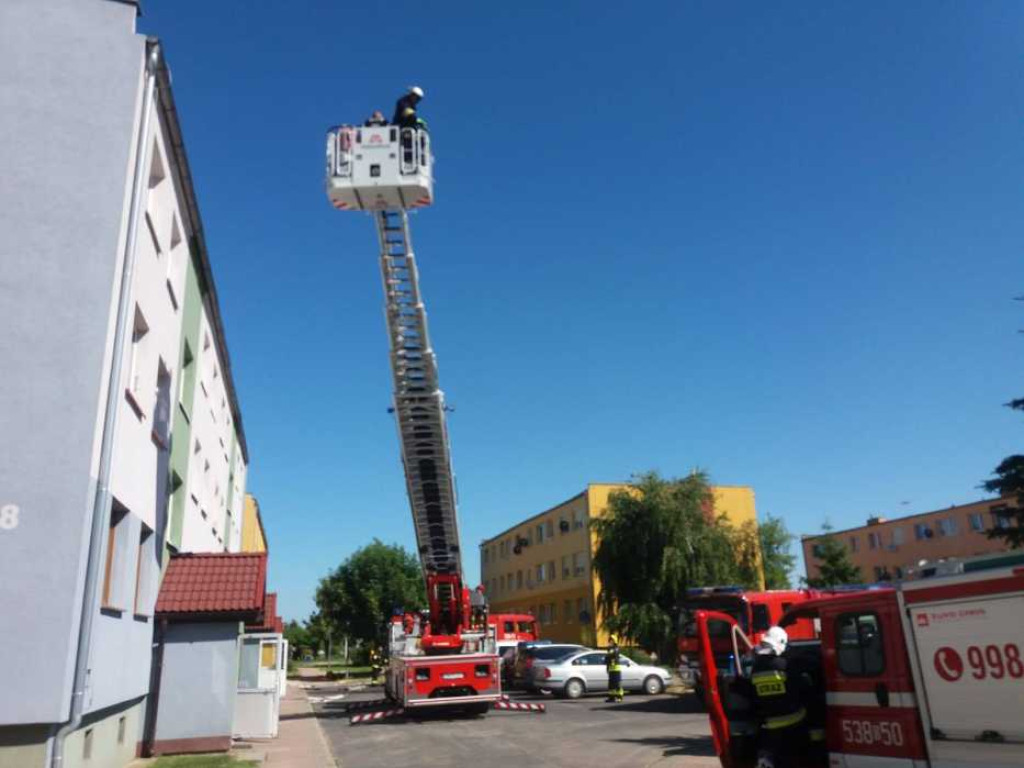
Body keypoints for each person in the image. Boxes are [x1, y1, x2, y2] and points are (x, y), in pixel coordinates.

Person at [750, 626, 809, 768]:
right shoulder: (785, 665)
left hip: (769, 725)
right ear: (781, 643)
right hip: (794, 722)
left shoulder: (755, 668)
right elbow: (802, 687)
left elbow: (752, 693)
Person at [605, 638, 624, 703]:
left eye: (612, 640)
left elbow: (613, 654)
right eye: (610, 640)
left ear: (615, 641)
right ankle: (611, 698)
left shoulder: (616, 648)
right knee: (611, 685)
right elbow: (607, 659)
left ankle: (619, 697)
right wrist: (607, 668)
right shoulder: (610, 649)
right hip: (611, 669)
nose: (610, 642)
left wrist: (609, 653)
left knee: (617, 684)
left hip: (616, 669)